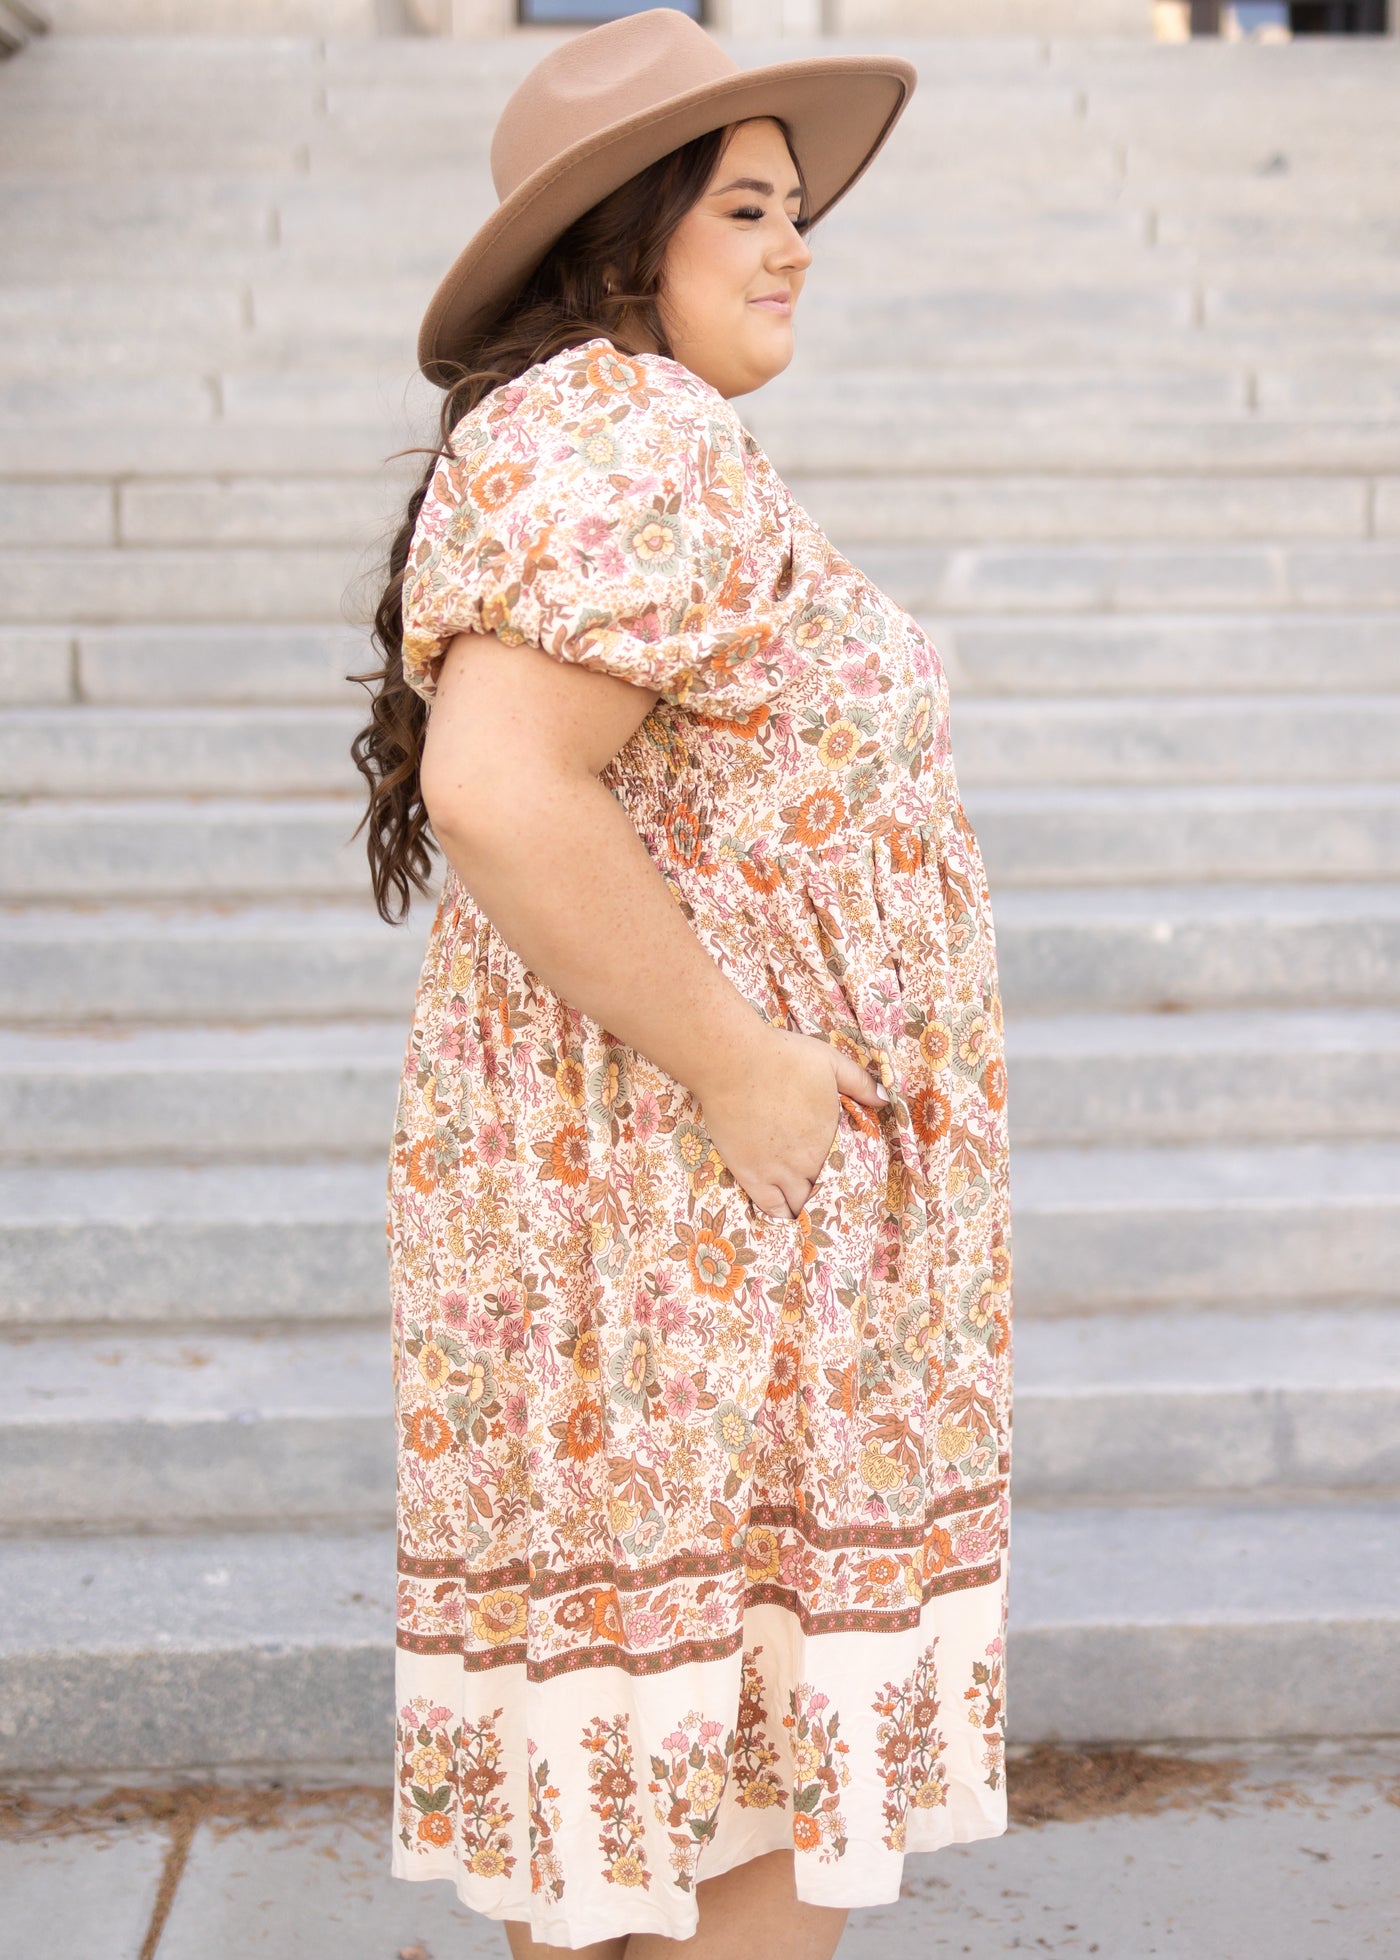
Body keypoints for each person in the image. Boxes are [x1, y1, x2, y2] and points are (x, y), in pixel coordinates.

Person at [351, 11, 1013, 1956]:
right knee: (734, 1827)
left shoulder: (596, 433)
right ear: (627, 233)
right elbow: (494, 780)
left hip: (673, 1245)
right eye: (747, 204)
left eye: (798, 207)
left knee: (651, 1815)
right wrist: (747, 1068)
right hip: (697, 1238)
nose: (794, 241)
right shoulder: (631, 426)